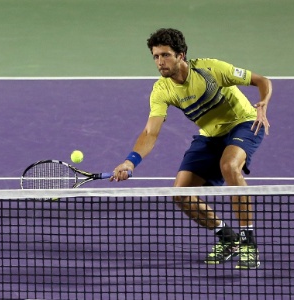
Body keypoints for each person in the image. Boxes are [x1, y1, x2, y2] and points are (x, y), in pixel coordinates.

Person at [110, 28, 271, 270]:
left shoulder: (211, 69)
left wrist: (263, 104)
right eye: (155, 56)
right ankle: (228, 238)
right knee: (180, 194)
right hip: (210, 136)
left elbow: (261, 80)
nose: (159, 62)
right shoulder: (161, 90)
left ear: (181, 55)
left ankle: (248, 241)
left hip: (244, 123)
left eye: (165, 55)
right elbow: (150, 133)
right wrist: (130, 161)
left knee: (229, 165)